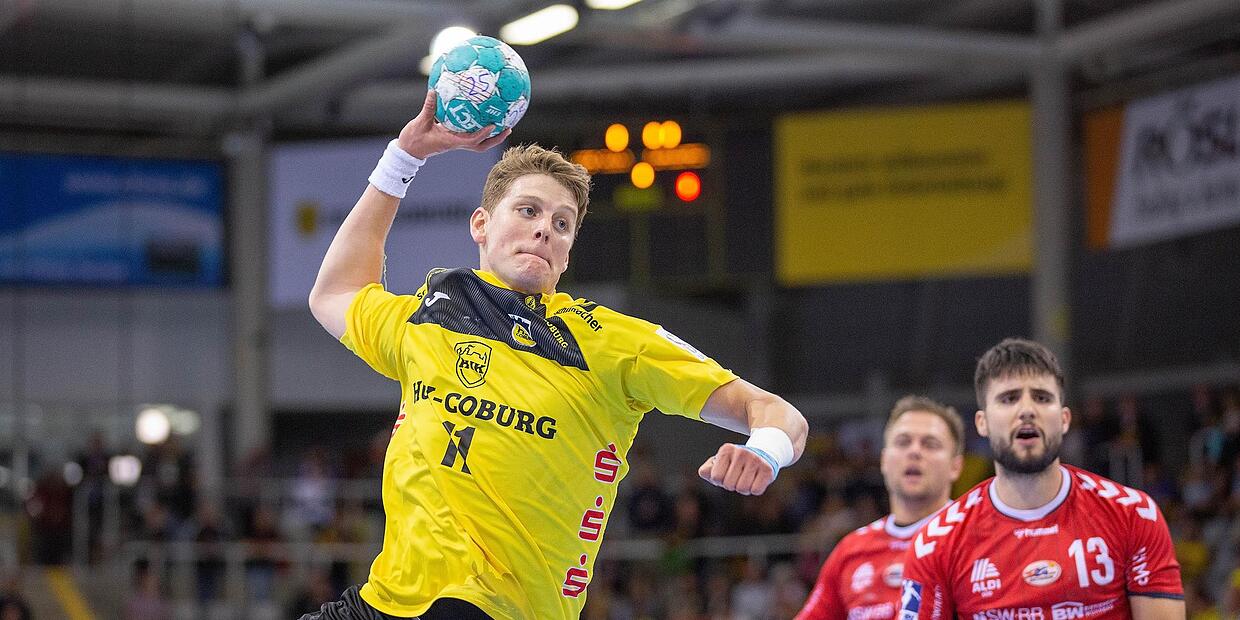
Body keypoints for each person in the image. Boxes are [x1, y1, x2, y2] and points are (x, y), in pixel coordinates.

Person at [304, 91, 809, 620]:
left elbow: (780, 415)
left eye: (562, 223)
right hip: (383, 603)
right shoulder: (431, 317)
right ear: (481, 225)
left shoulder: (610, 341)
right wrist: (403, 158)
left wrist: (765, 451)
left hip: (496, 610)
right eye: (528, 211)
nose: (545, 228)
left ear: (566, 255)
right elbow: (334, 294)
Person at [900, 338, 1183, 620]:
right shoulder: (936, 542)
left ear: (1064, 419)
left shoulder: (1133, 514)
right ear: (982, 423)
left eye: (1042, 397)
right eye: (1009, 398)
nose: (1027, 410)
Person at [796, 395, 964, 620]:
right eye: (903, 442)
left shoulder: (974, 539)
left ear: (956, 466)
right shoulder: (851, 550)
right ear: (884, 460)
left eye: (930, 444)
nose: (914, 452)